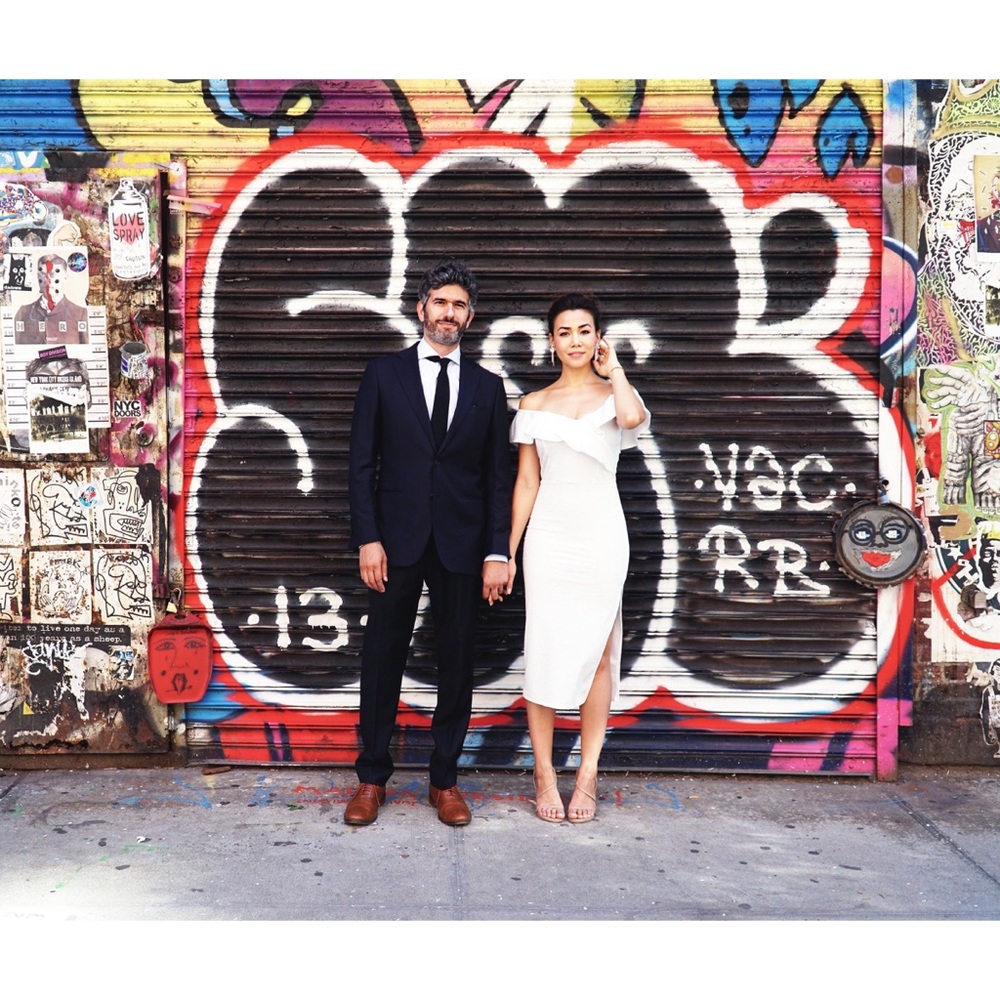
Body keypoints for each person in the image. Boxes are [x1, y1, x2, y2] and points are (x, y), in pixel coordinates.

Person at [345, 259, 512, 827]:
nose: (449, 313)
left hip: (463, 547)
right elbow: (361, 464)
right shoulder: (383, 375)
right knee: (381, 658)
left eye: (459, 304)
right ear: (421, 309)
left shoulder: (489, 390)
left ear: (471, 315)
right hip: (394, 543)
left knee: (458, 662)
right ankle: (371, 779)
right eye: (440, 302)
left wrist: (497, 551)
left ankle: (445, 780)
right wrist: (367, 537)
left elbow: (497, 480)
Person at [507, 292, 649, 823]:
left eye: (584, 331)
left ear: (598, 338)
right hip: (549, 536)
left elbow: (633, 418)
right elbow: (526, 481)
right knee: (542, 650)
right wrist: (509, 551)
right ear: (551, 341)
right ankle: (544, 774)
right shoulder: (533, 405)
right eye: (564, 332)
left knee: (596, 657)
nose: (574, 341)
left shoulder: (616, 395)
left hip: (601, 534)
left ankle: (587, 775)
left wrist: (615, 372)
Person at [14, 253, 89, 345]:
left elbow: (86, 352)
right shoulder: (23, 312)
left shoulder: (80, 313)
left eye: (53, 275)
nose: (47, 281)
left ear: (65, 277)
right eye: (43, 275)